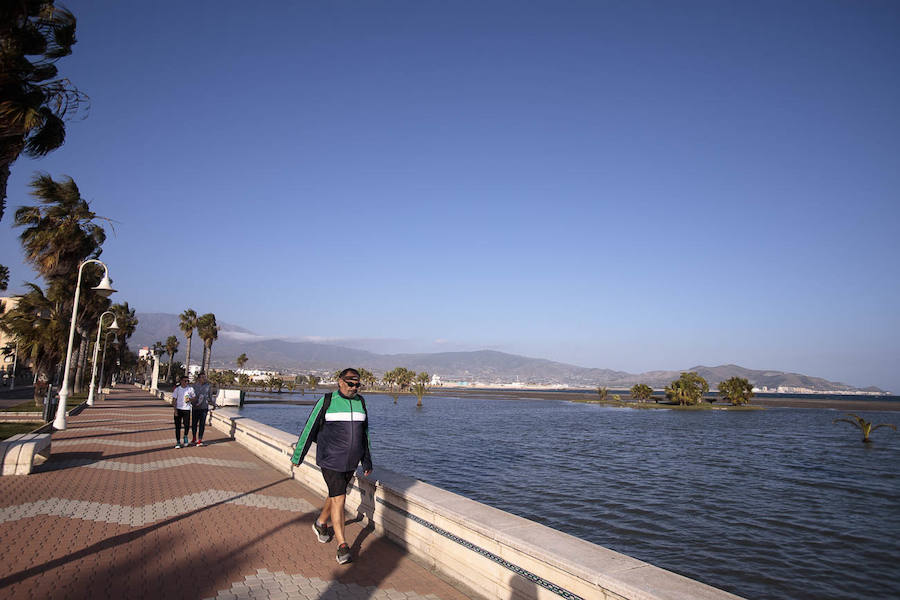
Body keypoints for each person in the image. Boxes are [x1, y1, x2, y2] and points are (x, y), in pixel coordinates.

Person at [291, 368, 372, 565]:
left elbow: (365, 434)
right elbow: (309, 428)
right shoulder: (327, 401)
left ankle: (320, 523)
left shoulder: (360, 402)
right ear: (340, 382)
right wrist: (298, 456)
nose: (354, 388)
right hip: (330, 460)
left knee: (336, 494)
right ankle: (343, 546)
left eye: (357, 384)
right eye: (350, 383)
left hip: (351, 462)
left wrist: (367, 459)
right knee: (340, 498)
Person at [172, 375, 195, 448]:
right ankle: (178, 442)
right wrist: (175, 411)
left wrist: (190, 400)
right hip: (178, 409)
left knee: (187, 425)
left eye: (187, 381)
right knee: (177, 426)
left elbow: (194, 398)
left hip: (187, 409)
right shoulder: (177, 389)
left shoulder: (190, 389)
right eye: (185, 381)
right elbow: (174, 400)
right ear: (181, 381)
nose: (186, 382)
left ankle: (185, 436)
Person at [190, 372, 212, 446]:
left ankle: (200, 439)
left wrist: (213, 404)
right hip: (195, 408)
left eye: (205, 377)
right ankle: (193, 438)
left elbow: (210, 397)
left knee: (202, 424)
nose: (204, 378)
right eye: (202, 377)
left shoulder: (208, 386)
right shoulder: (193, 386)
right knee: (194, 424)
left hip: (204, 408)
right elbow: (190, 397)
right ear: (199, 378)